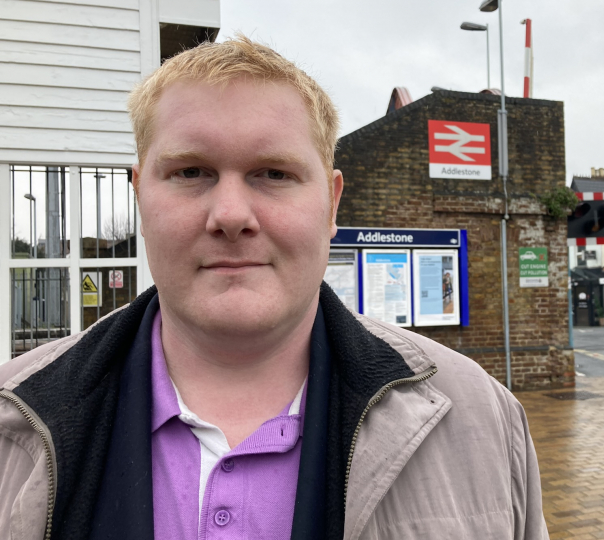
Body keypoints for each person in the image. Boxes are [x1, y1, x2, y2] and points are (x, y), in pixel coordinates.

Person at [0, 36, 546, 540]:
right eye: (191, 172)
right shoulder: (12, 420)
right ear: (141, 196)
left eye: (274, 174)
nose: (231, 215)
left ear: (331, 204)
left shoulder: (483, 417)